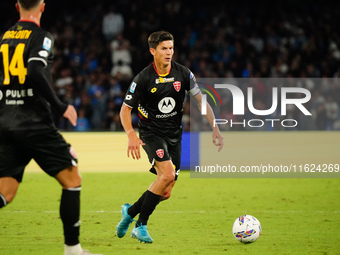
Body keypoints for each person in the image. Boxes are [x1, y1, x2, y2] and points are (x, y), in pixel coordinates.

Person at [0, 1, 101, 255]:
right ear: (42, 6)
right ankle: (73, 249)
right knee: (72, 178)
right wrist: (59, 105)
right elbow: (35, 70)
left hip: (6, 122)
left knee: (5, 191)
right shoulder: (41, 37)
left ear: (17, 6)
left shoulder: (6, 37)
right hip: (33, 123)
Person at [117, 31, 224, 243]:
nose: (169, 52)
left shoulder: (184, 74)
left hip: (174, 135)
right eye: (164, 48)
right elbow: (124, 110)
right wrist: (131, 134)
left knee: (165, 191)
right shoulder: (143, 78)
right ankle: (140, 225)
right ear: (152, 51)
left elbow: (201, 101)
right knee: (165, 176)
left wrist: (215, 126)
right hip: (151, 133)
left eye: (171, 48)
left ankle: (129, 213)